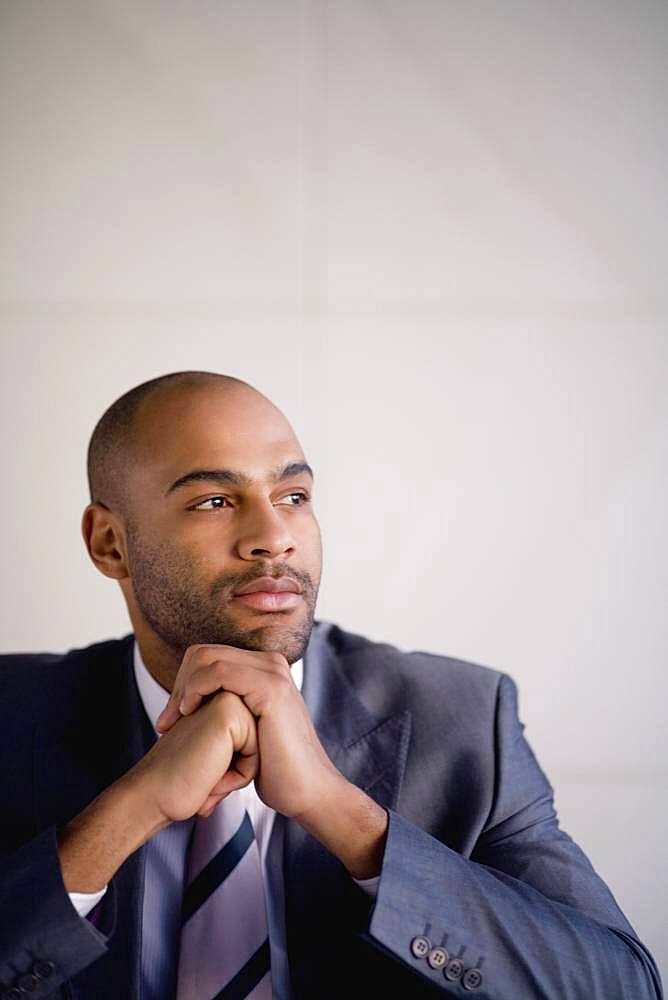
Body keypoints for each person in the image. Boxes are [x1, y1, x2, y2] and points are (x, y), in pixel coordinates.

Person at [0, 370, 662, 1000]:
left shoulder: (461, 722)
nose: (274, 537)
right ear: (110, 544)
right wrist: (130, 810)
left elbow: (621, 987)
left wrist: (338, 811)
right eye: (215, 501)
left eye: (293, 497)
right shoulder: (12, 715)